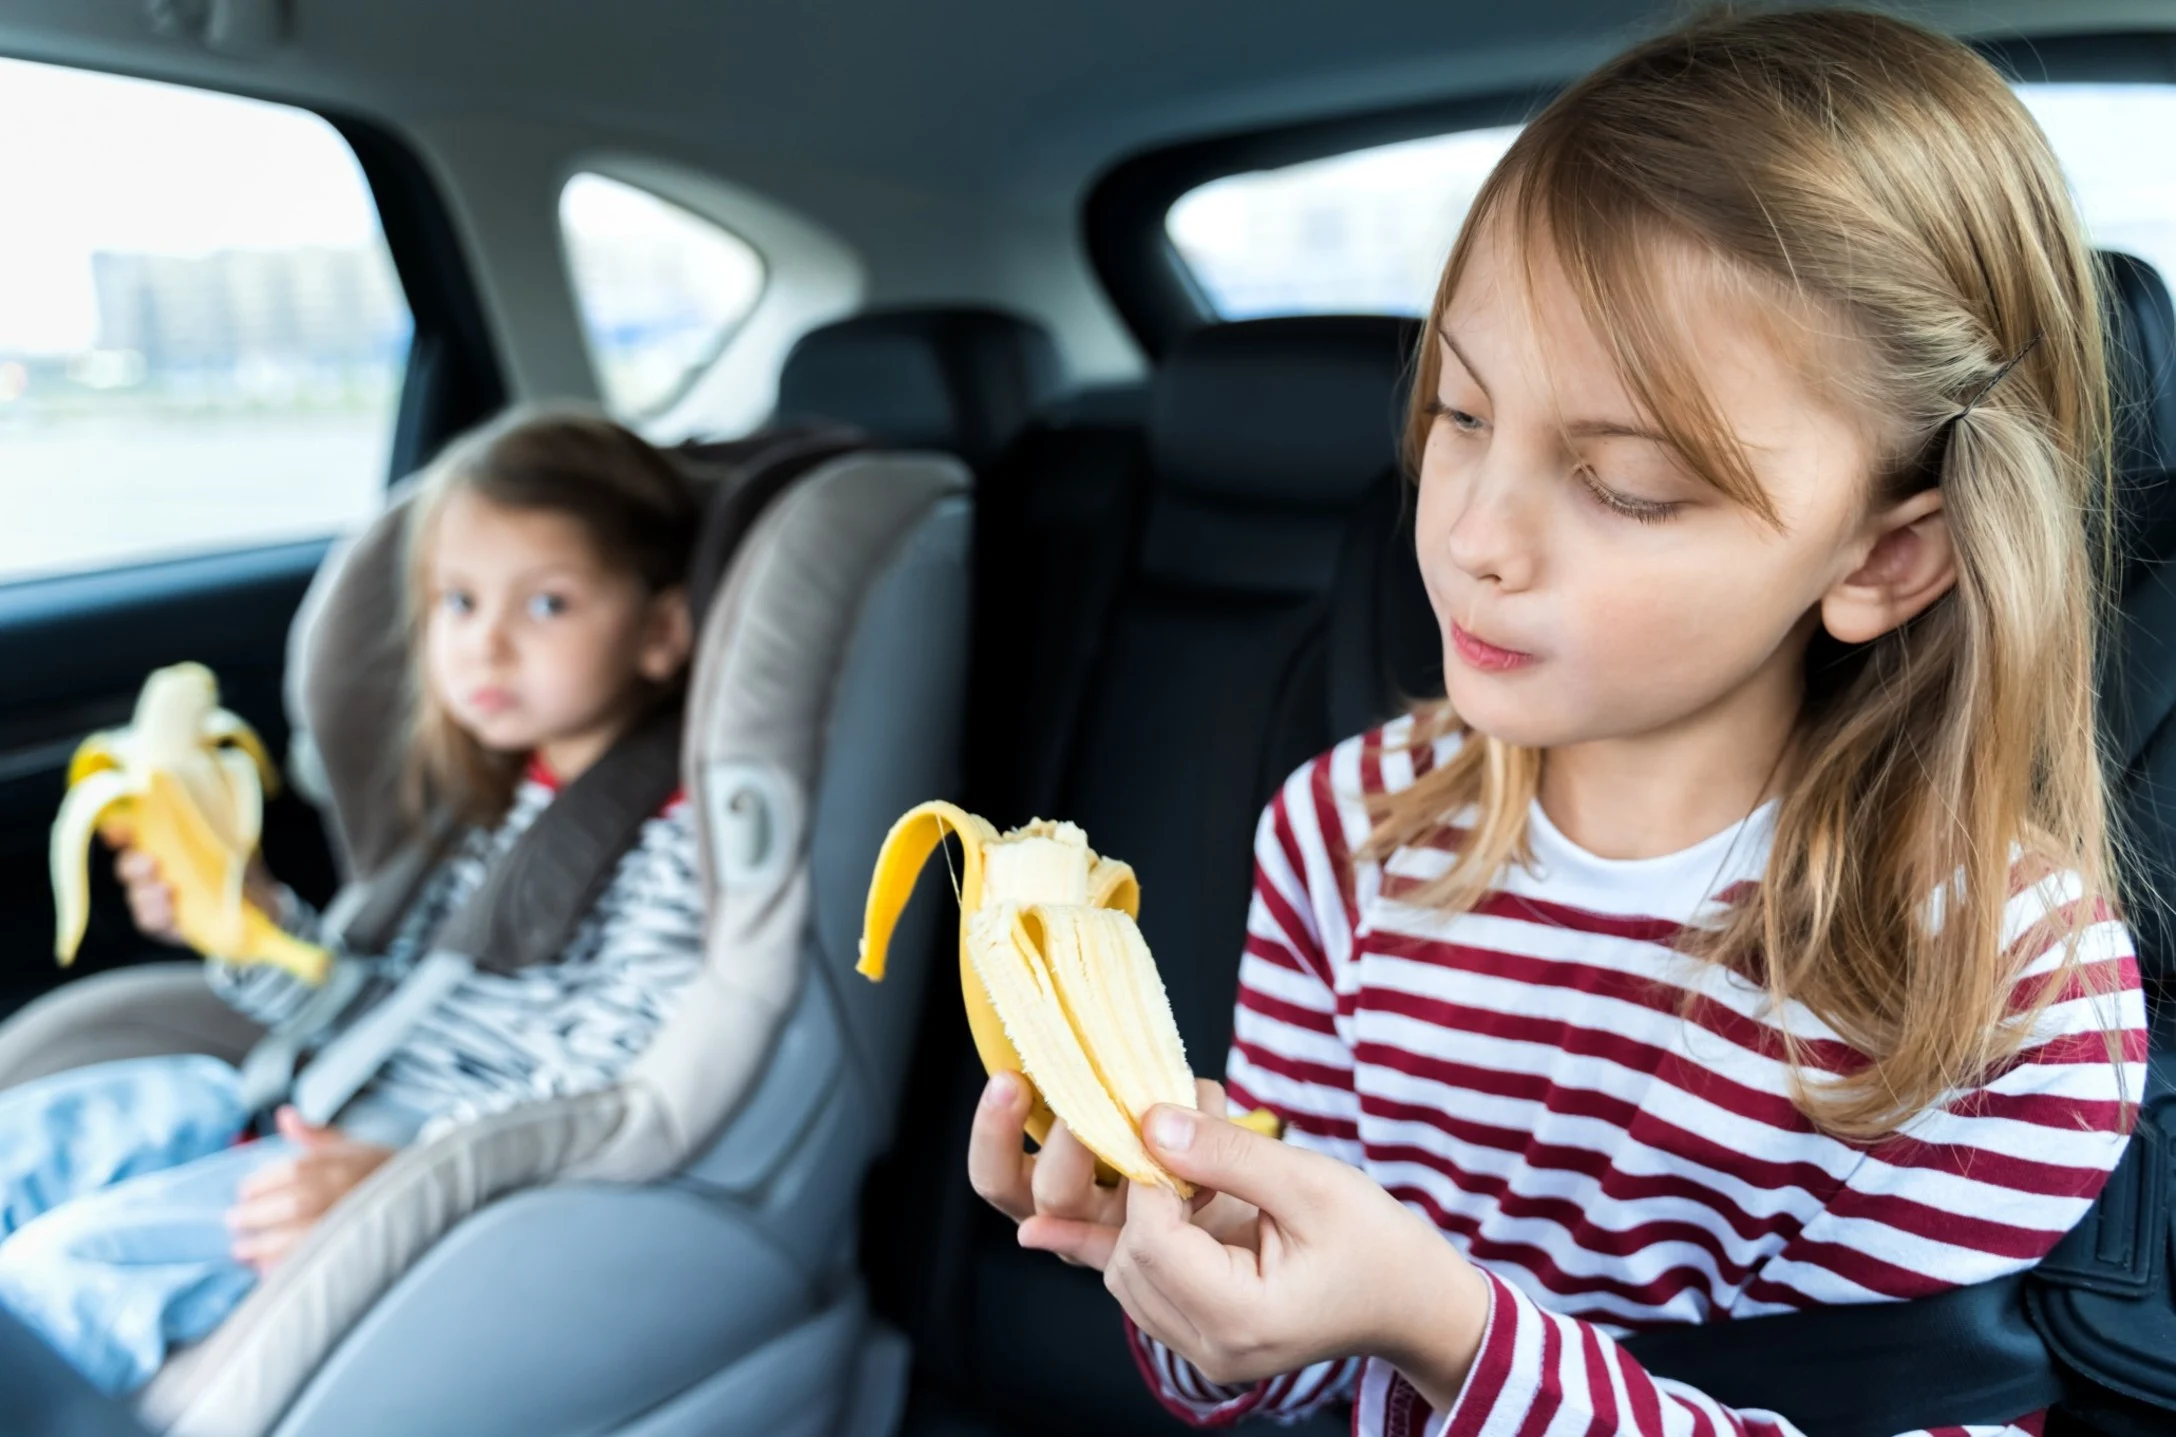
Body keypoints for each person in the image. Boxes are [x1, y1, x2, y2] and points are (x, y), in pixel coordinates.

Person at [968, 12, 2149, 1436]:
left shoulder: (2004, 975)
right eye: (1462, 413)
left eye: (1627, 485)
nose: (1474, 534)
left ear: (1882, 559)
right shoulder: (1345, 831)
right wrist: (1198, 1279)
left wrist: (1448, 1331)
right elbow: (1283, 1393)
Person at [0, 409, 707, 1396]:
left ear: (662, 631)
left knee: (53, 1279)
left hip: (415, 1156)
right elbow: (382, 1011)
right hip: (313, 1093)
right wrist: (251, 928)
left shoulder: (679, 845)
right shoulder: (498, 806)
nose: (486, 647)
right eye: (457, 603)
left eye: (545, 606)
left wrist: (406, 1181)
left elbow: (621, 1093)